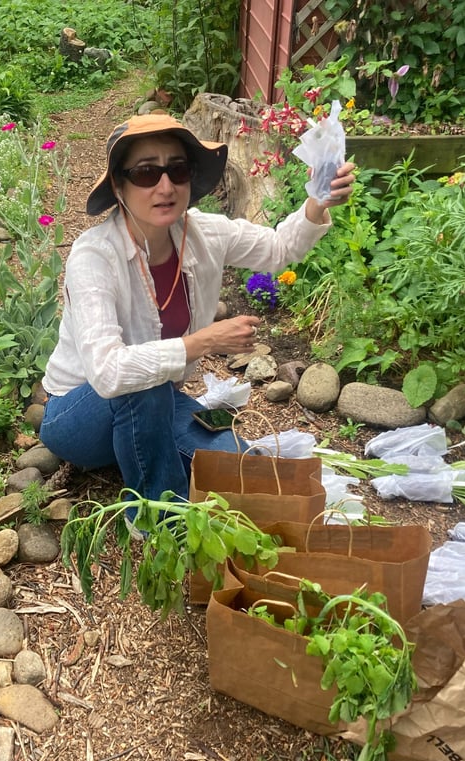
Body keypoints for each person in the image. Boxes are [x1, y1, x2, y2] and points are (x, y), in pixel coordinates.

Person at [39, 114, 355, 506]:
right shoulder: (95, 256)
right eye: (146, 173)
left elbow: (278, 249)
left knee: (243, 463)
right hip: (78, 417)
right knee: (145, 385)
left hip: (157, 406)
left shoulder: (204, 233)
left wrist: (316, 203)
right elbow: (108, 373)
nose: (165, 186)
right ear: (119, 186)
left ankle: (149, 454)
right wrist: (203, 341)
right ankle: (159, 518)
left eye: (177, 169)